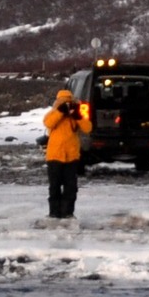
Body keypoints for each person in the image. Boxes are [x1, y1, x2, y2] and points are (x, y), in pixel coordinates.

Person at [42, 88, 86, 219]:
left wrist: (77, 115)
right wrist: (60, 112)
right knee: (54, 187)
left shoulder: (76, 116)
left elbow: (88, 127)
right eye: (64, 103)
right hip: (55, 156)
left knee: (71, 188)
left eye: (68, 102)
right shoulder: (53, 114)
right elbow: (48, 123)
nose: (67, 105)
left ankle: (67, 213)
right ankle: (54, 213)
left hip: (71, 157)